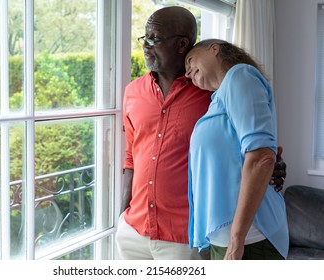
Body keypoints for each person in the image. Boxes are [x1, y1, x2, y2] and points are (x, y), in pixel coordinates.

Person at [116, 6, 286, 260]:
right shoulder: (132, 91)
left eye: (154, 38)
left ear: (182, 43)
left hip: (183, 237)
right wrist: (122, 215)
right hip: (133, 231)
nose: (146, 45)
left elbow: (252, 143)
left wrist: (273, 161)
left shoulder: (212, 89)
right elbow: (131, 157)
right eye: (144, 38)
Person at [185, 39, 289, 260]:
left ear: (215, 48)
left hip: (250, 238)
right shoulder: (218, 100)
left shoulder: (239, 75)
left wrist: (236, 242)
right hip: (229, 240)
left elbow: (262, 158)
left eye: (190, 60)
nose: (187, 73)